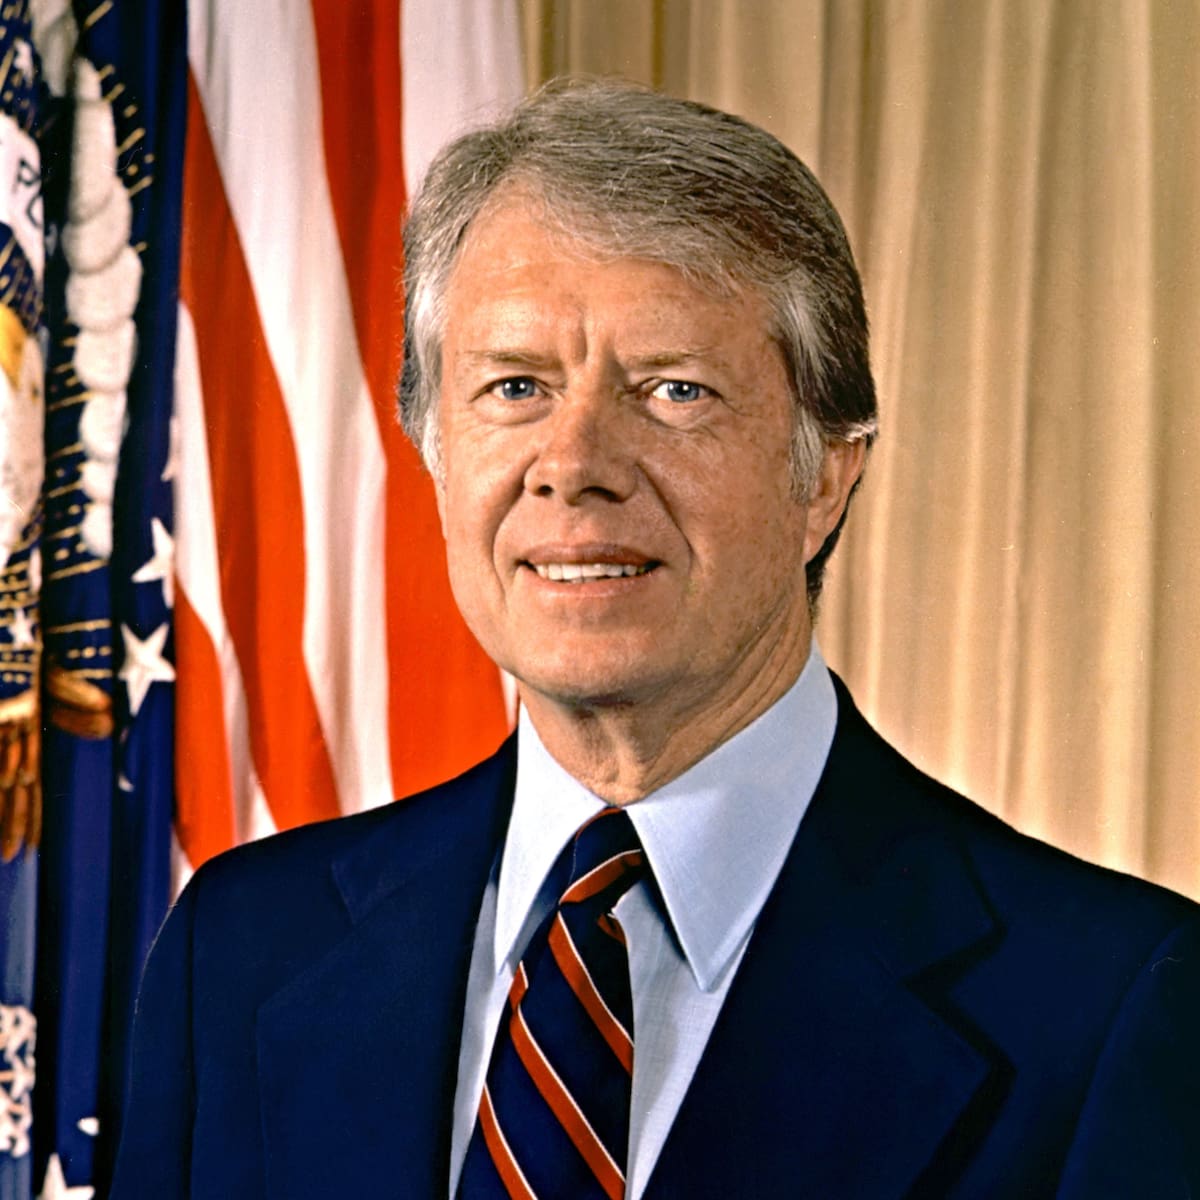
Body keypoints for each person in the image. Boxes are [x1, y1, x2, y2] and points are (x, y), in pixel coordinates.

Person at [111, 79, 1198, 1199]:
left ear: (825, 475)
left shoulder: (1115, 1006)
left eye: (676, 390)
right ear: (433, 450)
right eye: (516, 386)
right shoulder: (241, 952)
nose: (575, 463)